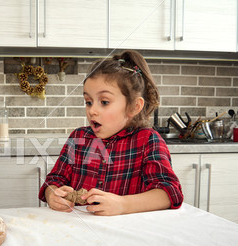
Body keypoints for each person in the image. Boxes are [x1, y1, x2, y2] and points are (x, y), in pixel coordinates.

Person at [39, 50, 183, 215]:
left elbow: (169, 192)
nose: (92, 110)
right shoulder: (78, 138)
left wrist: (123, 204)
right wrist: (53, 195)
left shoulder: (148, 141)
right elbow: (53, 180)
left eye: (104, 102)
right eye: (88, 102)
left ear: (134, 106)